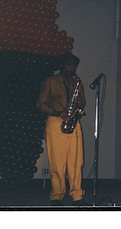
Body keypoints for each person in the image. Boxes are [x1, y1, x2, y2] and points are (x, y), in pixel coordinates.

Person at [36, 53, 88, 206]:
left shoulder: (77, 83)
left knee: (77, 163)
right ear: (61, 65)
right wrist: (58, 112)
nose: (72, 68)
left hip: (74, 123)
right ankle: (56, 196)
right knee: (58, 163)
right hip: (56, 122)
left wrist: (79, 102)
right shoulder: (50, 82)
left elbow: (82, 104)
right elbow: (40, 104)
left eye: (74, 65)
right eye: (69, 64)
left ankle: (77, 196)